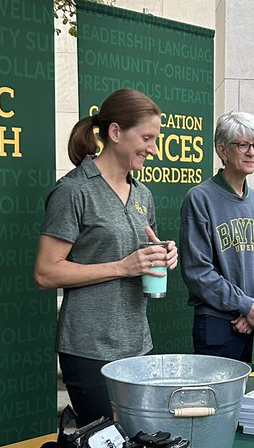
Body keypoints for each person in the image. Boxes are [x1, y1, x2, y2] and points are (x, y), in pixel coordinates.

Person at [35, 89, 177, 425]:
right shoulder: (74, 191)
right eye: (146, 138)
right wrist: (122, 267)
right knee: (104, 446)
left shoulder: (143, 194)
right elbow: (45, 273)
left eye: (155, 139)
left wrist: (162, 254)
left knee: (139, 445)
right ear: (115, 132)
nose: (153, 149)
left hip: (137, 343)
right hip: (88, 347)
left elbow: (142, 253)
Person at [179, 111, 254, 361]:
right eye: (243, 145)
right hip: (218, 326)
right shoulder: (200, 199)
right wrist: (246, 306)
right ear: (222, 150)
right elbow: (198, 272)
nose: (252, 152)